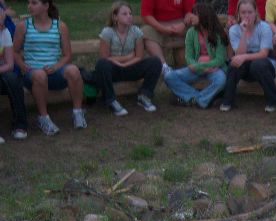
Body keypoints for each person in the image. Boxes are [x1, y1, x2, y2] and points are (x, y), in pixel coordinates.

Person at [13, 0, 86, 135]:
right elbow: (15, 51)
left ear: (46, 6)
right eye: (29, 3)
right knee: (40, 75)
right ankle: (43, 118)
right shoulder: (23, 26)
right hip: (32, 74)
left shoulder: (60, 26)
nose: (29, 6)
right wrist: (22, 65)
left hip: (54, 72)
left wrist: (56, 66)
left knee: (73, 70)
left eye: (34, 3)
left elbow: (67, 55)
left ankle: (78, 113)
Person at [94, 1, 161, 116]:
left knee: (155, 62)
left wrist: (126, 63)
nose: (129, 16)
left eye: (130, 13)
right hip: (113, 69)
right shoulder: (107, 32)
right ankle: (111, 101)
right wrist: (127, 57)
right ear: (115, 17)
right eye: (124, 14)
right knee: (102, 64)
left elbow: (138, 56)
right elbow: (104, 58)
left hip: (131, 67)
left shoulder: (136, 31)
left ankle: (144, 96)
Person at [220, 0, 276, 113]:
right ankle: (227, 101)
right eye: (243, 12)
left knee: (257, 64)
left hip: (266, 64)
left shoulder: (264, 27)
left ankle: (274, 100)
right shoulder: (234, 30)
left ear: (255, 12)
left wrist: (244, 57)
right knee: (234, 64)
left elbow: (264, 54)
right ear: (238, 14)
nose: (247, 16)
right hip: (247, 67)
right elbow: (239, 55)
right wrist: (244, 32)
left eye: (250, 12)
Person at [164, 2, 227, 109]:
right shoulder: (191, 32)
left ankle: (193, 99)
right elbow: (188, 56)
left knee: (221, 80)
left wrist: (201, 66)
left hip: (214, 69)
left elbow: (220, 59)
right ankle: (201, 99)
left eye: (195, 14)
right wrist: (196, 66)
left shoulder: (217, 33)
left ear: (204, 16)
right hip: (196, 68)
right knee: (169, 77)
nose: (191, 16)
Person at [140, 0, 197, 76]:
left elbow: (190, 13)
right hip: (159, 25)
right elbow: (146, 16)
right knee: (145, 31)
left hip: (181, 24)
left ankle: (200, 57)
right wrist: (163, 29)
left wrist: (183, 24)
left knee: (184, 61)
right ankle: (163, 66)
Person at [0, 6, 27, 142]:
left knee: (13, 79)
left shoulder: (5, 33)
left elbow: (10, 64)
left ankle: (20, 126)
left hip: (2, 73)